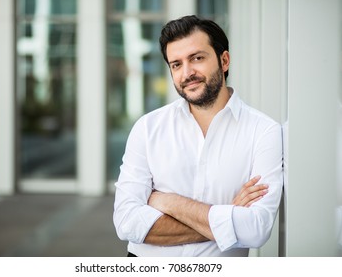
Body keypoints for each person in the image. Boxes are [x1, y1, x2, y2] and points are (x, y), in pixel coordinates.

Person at [113, 15, 283, 257]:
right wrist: (228, 216)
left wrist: (169, 202)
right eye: (176, 64)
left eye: (197, 58)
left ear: (224, 61)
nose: (187, 73)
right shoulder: (147, 128)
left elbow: (256, 229)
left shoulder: (264, 132)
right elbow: (126, 222)